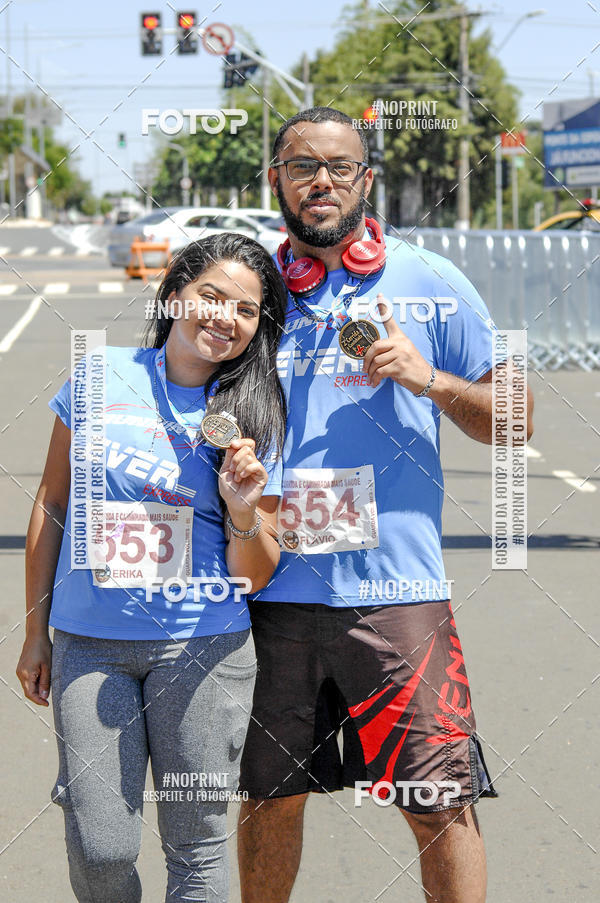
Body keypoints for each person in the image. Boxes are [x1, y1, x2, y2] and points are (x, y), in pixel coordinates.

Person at [237, 108, 534, 903]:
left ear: (367, 180)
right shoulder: (247, 289)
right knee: (268, 798)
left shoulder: (428, 279)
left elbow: (516, 420)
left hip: (397, 596)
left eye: (339, 167)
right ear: (277, 179)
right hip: (273, 595)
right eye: (303, 167)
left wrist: (427, 378)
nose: (321, 181)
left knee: (440, 803)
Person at [16, 233, 287, 903]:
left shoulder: (253, 416)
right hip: (90, 643)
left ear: (257, 327)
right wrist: (34, 629)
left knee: (197, 845)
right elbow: (52, 502)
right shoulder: (99, 374)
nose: (225, 317)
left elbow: (255, 572)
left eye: (246, 309)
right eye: (211, 296)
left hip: (204, 647)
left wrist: (242, 509)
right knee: (101, 844)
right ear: (173, 297)